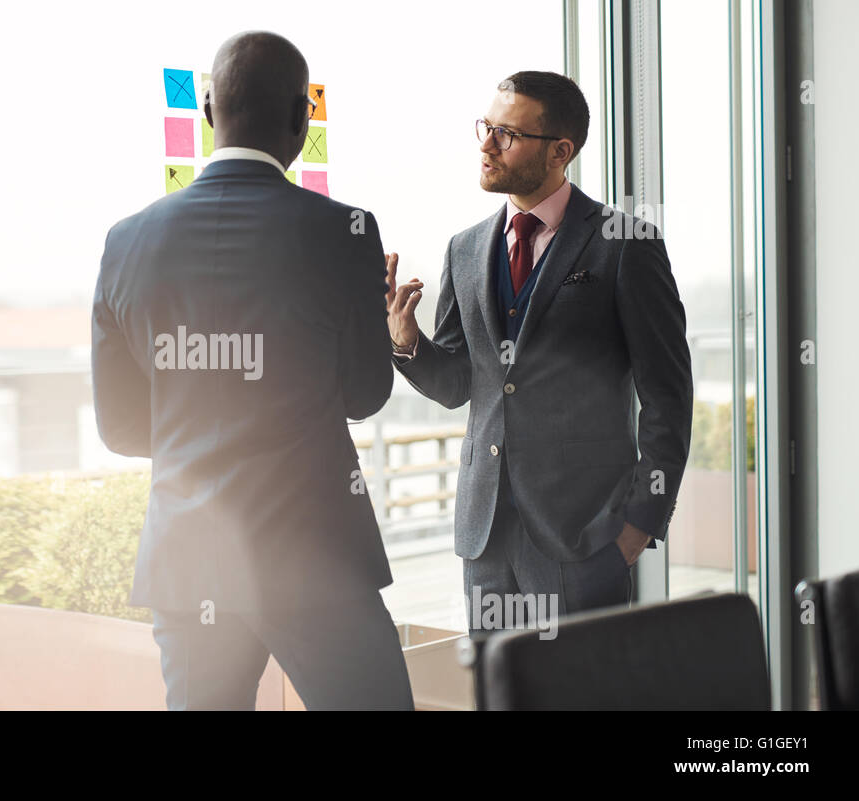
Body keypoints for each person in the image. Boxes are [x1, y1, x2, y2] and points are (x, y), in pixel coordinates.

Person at [91, 30, 412, 710]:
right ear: (302, 118)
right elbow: (364, 392)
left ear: (209, 111)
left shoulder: (125, 242)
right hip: (314, 560)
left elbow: (120, 428)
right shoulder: (345, 230)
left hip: (188, 561)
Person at [386, 71, 693, 634]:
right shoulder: (465, 248)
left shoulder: (626, 244)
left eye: (506, 134)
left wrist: (640, 525)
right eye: (486, 128)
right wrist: (407, 343)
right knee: (499, 692)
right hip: (485, 538)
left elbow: (668, 397)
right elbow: (459, 384)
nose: (486, 145)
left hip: (584, 537)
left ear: (561, 150)